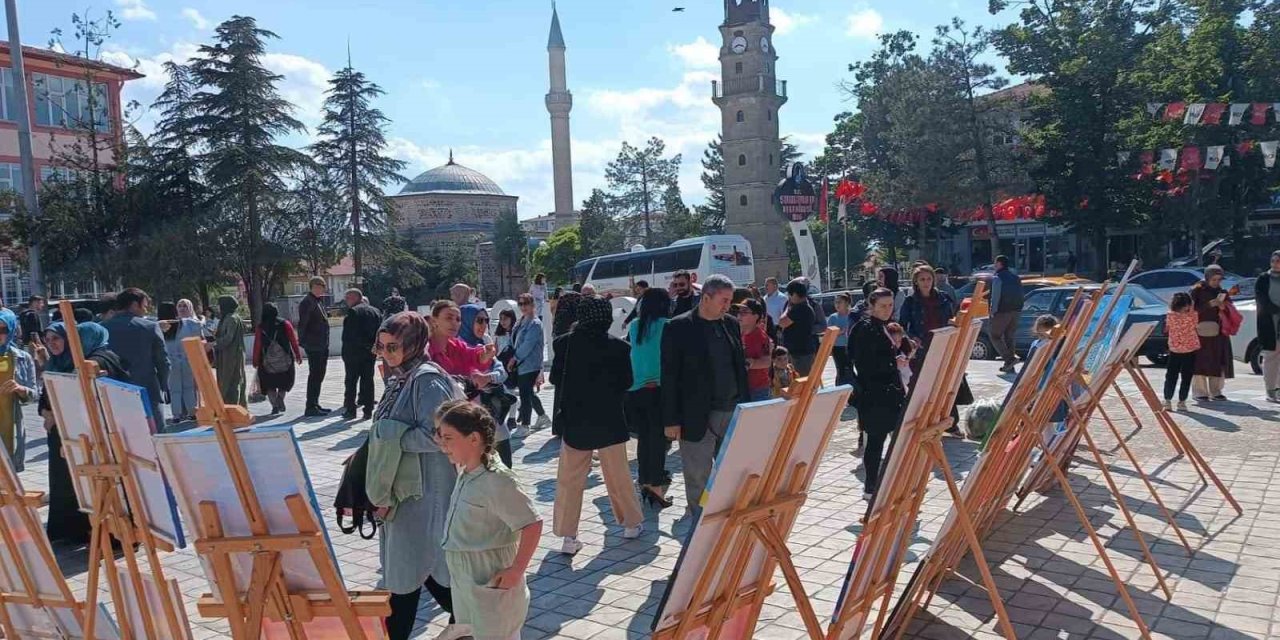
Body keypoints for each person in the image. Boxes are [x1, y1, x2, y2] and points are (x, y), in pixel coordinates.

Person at [366, 312, 463, 640]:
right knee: (414, 570)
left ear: (412, 344)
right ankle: (476, 621)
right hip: (407, 493)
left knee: (410, 572)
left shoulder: (426, 379)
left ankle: (480, 620)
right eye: (381, 347)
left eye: (393, 347)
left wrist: (392, 440)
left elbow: (441, 434)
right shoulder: (400, 379)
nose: (387, 354)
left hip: (427, 492)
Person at [436, 400, 543, 640]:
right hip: (467, 581)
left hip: (489, 577)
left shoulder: (497, 480)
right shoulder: (467, 471)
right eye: (440, 437)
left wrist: (517, 569)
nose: (442, 445)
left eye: (449, 438)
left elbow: (532, 523)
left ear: (473, 439)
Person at [550, 295, 644, 554]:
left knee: (570, 481)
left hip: (575, 420)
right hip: (609, 419)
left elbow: (556, 377)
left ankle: (568, 536)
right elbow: (626, 382)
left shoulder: (564, 344)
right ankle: (630, 523)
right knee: (618, 476)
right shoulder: (619, 348)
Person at [661, 275, 747, 512]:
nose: (727, 306)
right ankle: (699, 532)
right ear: (706, 297)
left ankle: (726, 529)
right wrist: (671, 420)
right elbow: (669, 376)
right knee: (698, 477)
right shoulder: (678, 327)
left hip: (732, 411)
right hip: (696, 416)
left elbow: (738, 366)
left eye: (730, 301)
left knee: (731, 474)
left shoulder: (730, 324)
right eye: (724, 300)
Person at [39, 320, 125, 545]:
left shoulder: (95, 361)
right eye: (48, 340)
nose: (52, 344)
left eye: (56, 338)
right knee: (66, 484)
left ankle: (111, 533)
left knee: (97, 483)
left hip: (90, 433)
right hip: (63, 434)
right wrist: (47, 413)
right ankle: (71, 531)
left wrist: (57, 415)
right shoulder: (57, 363)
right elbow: (45, 396)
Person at [427, 301, 512, 466]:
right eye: (449, 318)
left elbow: (473, 356)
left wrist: (485, 358)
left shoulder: (456, 344)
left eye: (458, 319)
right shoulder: (426, 349)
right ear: (434, 320)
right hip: (437, 419)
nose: (455, 323)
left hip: (462, 416)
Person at [850, 288, 908, 500]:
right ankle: (870, 486)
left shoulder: (883, 327)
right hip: (873, 395)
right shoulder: (864, 329)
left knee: (896, 438)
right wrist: (894, 362)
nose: (887, 309)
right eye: (882, 306)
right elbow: (865, 363)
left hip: (889, 394)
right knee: (875, 442)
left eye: (890, 305)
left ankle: (889, 481)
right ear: (871, 306)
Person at [628, 288, 674, 508]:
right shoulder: (667, 325)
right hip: (658, 387)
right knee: (658, 441)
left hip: (637, 389)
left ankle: (644, 482)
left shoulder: (634, 326)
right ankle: (655, 487)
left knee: (645, 439)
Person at [103, 288, 171, 422]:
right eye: (144, 306)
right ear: (134, 305)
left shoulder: (102, 329)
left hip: (112, 394)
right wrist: (163, 386)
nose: (146, 310)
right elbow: (163, 362)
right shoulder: (150, 328)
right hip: (147, 391)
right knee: (154, 437)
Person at [1190, 265, 1234, 401]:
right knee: (1199, 361)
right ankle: (1200, 392)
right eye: (1214, 279)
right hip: (1199, 332)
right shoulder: (1197, 290)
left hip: (1218, 333)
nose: (1216, 282)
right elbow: (1190, 311)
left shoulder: (1222, 292)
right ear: (1207, 278)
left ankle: (1216, 391)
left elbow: (1231, 311)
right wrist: (1209, 305)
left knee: (1217, 361)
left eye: (1219, 279)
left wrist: (1223, 306)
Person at [0, 309, 36, 472]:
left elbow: (34, 396)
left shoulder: (23, 358)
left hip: (10, 429)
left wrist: (21, 389)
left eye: (3, 330)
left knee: (11, 482)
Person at [253, 303, 304, 415]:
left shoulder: (260, 327)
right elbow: (293, 341)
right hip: (285, 359)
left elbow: (257, 345)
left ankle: (274, 406)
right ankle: (280, 397)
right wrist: (298, 355)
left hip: (266, 362)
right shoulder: (285, 323)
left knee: (269, 385)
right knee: (283, 383)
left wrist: (255, 360)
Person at [159, 301, 204, 425]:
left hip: (170, 361)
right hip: (186, 359)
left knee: (174, 390)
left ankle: (176, 415)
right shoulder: (187, 323)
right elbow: (199, 331)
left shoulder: (158, 326)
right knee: (189, 387)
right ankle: (192, 413)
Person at [342, 288, 383, 420]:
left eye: (348, 298)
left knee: (351, 381)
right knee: (368, 381)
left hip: (354, 353)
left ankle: (350, 410)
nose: (346, 301)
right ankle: (368, 410)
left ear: (355, 298)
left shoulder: (354, 312)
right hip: (370, 352)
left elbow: (348, 336)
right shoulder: (376, 311)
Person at [510, 294, 548, 432]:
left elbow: (528, 345)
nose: (523, 306)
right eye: (520, 304)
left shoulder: (535, 324)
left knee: (525, 394)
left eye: (526, 303)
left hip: (530, 364)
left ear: (533, 305)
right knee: (528, 393)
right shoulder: (521, 320)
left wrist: (515, 358)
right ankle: (542, 416)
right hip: (521, 364)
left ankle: (525, 425)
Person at [296, 277, 333, 417]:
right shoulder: (307, 302)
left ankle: (315, 403)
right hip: (314, 344)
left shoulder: (318, 301)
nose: (321, 289)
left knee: (319, 374)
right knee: (315, 375)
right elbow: (303, 324)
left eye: (322, 287)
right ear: (312, 287)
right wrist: (304, 342)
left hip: (322, 344)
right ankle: (310, 406)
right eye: (318, 286)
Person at [987, 255, 1025, 373]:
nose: (994, 265)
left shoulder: (998, 278)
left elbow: (995, 296)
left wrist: (992, 312)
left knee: (995, 335)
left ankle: (1010, 359)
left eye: (995, 263)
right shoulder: (1015, 277)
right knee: (1009, 337)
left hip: (1002, 311)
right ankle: (1010, 367)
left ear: (999, 264)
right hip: (1016, 311)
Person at [1163, 292, 1199, 411]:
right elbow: (1195, 324)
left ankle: (1168, 400)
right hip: (1189, 349)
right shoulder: (1193, 315)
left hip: (1175, 349)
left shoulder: (1170, 315)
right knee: (1186, 377)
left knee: (1171, 376)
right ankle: (1181, 402)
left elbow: (1168, 328)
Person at [778, 280, 818, 376]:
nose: (789, 298)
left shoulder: (799, 308)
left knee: (801, 383)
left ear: (795, 294)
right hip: (800, 352)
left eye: (790, 295)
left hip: (800, 355)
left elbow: (782, 322)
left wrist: (788, 306)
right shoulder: (805, 307)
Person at [737, 299, 773, 402]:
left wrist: (749, 363)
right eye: (739, 311)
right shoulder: (738, 333)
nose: (739, 315)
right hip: (743, 388)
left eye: (744, 312)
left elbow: (767, 362)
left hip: (758, 389)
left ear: (756, 316)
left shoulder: (761, 337)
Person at [1257, 250, 1280, 403]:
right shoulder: (1263, 279)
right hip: (1268, 323)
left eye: (1278, 260)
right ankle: (1270, 390)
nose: (1276, 263)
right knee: (1270, 357)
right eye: (1274, 260)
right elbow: (1262, 301)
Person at [828, 293, 855, 393]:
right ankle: (839, 391)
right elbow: (829, 333)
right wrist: (841, 332)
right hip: (838, 347)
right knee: (841, 369)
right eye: (836, 302)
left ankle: (853, 391)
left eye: (840, 302)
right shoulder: (833, 317)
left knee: (850, 369)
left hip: (850, 346)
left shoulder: (852, 315)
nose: (837, 304)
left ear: (847, 303)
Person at [451, 283, 487, 348]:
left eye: (486, 320)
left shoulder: (475, 310)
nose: (484, 324)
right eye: (480, 320)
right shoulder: (452, 347)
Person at [886, 322, 915, 391]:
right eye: (893, 341)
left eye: (899, 341)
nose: (896, 344)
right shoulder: (882, 355)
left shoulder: (902, 355)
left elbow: (907, 377)